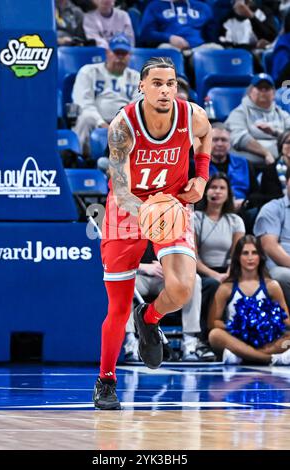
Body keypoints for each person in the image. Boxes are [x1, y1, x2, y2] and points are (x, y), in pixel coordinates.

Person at [93, 56, 212, 410]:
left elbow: (206, 137)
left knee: (182, 289)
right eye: (157, 83)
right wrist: (146, 212)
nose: (164, 90)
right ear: (141, 87)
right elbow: (120, 184)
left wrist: (202, 177)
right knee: (116, 307)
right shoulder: (122, 125)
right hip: (126, 211)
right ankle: (106, 380)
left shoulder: (192, 116)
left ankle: (149, 318)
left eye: (170, 83)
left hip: (171, 204)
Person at [208, 235, 290, 365]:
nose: (250, 257)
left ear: (260, 256)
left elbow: (286, 319)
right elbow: (213, 323)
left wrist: (268, 324)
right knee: (215, 335)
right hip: (237, 339)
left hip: (267, 340)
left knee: (288, 340)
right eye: (245, 253)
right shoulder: (226, 288)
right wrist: (238, 327)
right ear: (238, 257)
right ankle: (269, 359)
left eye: (254, 253)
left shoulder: (272, 286)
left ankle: (243, 356)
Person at [194, 172, 246, 341]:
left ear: (228, 194)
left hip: (230, 270)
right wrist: (216, 275)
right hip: (202, 272)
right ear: (206, 192)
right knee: (211, 284)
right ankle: (203, 336)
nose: (217, 191)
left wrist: (230, 273)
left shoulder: (235, 220)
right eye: (213, 187)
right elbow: (193, 257)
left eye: (222, 188)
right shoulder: (195, 218)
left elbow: (237, 255)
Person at [72, 33, 139, 155]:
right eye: (116, 53)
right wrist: (102, 124)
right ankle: (78, 158)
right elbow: (83, 103)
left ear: (129, 56)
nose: (119, 57)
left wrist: (121, 124)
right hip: (96, 121)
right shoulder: (89, 71)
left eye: (123, 54)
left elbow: (137, 106)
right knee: (85, 117)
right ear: (108, 53)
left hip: (125, 124)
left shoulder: (136, 77)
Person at [225, 73, 290, 166]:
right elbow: (240, 139)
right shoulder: (239, 112)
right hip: (252, 165)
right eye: (259, 88)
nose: (263, 91)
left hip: (282, 163)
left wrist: (274, 132)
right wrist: (266, 153)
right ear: (250, 91)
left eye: (267, 88)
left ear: (274, 93)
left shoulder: (281, 113)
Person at [253, 167, 290, 309]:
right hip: (279, 267)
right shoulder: (272, 209)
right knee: (281, 276)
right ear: (286, 182)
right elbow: (270, 247)